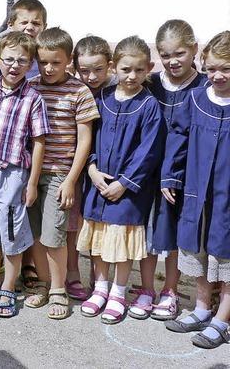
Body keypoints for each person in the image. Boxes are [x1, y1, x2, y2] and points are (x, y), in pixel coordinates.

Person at [78, 36, 164, 324]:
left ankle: (118, 292)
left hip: (128, 189)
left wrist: (124, 183)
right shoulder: (101, 98)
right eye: (126, 69)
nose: (132, 76)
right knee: (101, 240)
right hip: (98, 182)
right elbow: (89, 138)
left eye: (139, 70)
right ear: (115, 67)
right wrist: (90, 168)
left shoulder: (148, 105)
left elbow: (148, 151)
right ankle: (100, 288)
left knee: (122, 243)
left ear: (149, 69)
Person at [0, 31, 49, 318]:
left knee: (11, 231)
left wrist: (32, 182)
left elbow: (39, 141)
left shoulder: (33, 98)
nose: (14, 66)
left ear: (30, 65)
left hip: (14, 173)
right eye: (9, 59)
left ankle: (9, 285)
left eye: (22, 61)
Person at [161, 31, 230, 349]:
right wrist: (170, 175)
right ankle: (202, 309)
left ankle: (222, 320)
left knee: (227, 257)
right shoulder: (197, 99)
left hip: (228, 195)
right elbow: (178, 136)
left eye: (226, 68)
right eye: (213, 67)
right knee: (203, 252)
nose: (218, 75)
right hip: (198, 192)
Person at [25, 27, 99, 320]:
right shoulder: (31, 86)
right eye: (43, 62)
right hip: (30, 173)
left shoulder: (79, 92)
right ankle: (43, 284)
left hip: (59, 174)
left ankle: (59, 289)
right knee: (35, 235)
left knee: (54, 235)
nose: (49, 68)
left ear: (69, 60)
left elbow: (85, 139)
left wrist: (70, 179)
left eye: (56, 62)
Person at [136, 20, 207, 321]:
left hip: (187, 174)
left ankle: (171, 291)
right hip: (149, 171)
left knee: (174, 233)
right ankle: (146, 288)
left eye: (179, 53)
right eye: (165, 55)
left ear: (194, 49)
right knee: (148, 232)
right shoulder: (149, 82)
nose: (172, 61)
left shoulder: (204, 86)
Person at [64, 35, 116, 301]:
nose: (92, 76)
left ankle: (100, 281)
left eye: (98, 69)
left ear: (110, 65)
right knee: (73, 225)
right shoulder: (75, 89)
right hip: (75, 164)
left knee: (98, 224)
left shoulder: (117, 92)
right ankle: (72, 272)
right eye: (85, 70)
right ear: (75, 68)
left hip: (105, 169)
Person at [0, 0, 47, 83]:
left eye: (36, 23)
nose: (29, 27)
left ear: (44, 27)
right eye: (24, 22)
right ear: (10, 25)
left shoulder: (47, 59)